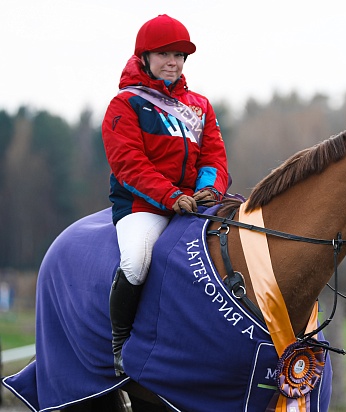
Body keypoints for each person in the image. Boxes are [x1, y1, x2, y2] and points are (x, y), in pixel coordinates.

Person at [102, 14, 229, 376]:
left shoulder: (200, 105)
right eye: (164, 54)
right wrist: (170, 196)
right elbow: (129, 164)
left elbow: (214, 155)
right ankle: (119, 345)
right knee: (137, 259)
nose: (173, 61)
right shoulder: (124, 105)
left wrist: (208, 190)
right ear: (144, 57)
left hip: (194, 202)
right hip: (143, 205)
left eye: (179, 55)